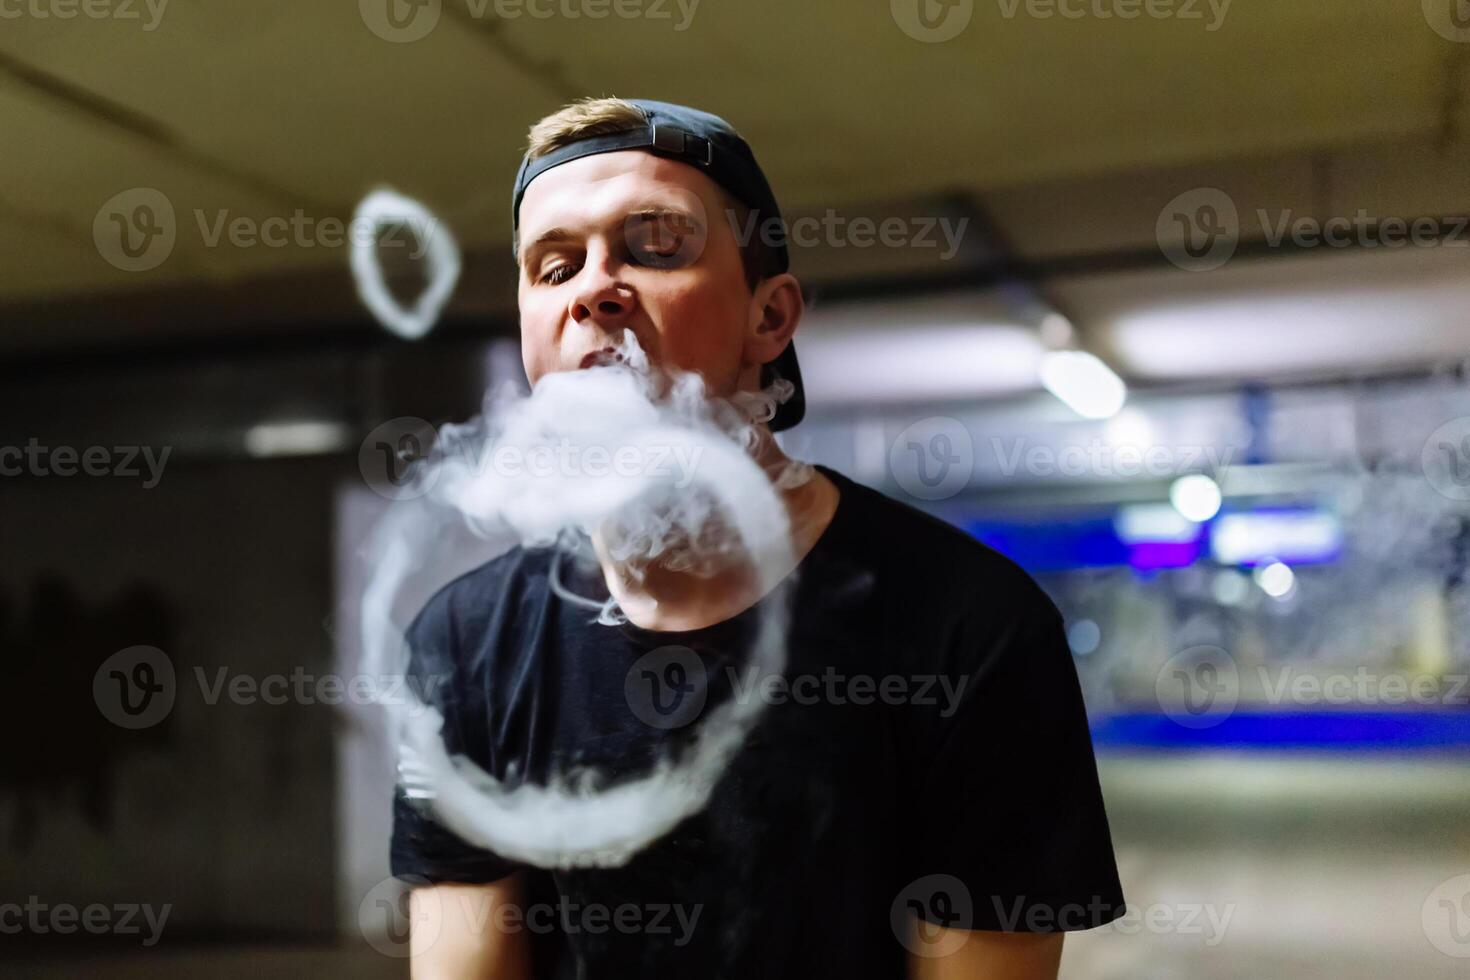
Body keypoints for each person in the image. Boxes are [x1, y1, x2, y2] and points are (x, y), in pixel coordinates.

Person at [390, 97, 1124, 979]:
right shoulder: (464, 644)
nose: (593, 290)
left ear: (770, 319)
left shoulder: (970, 628)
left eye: (656, 246)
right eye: (554, 267)